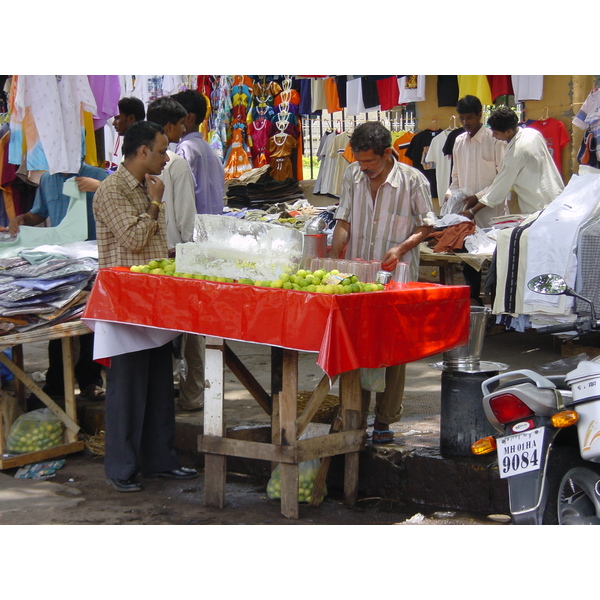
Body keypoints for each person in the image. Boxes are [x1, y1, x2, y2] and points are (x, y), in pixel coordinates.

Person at [93, 121, 198, 492]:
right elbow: (135, 239)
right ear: (141, 152)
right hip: (123, 301)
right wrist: (155, 203)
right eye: (161, 150)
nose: (166, 157)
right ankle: (122, 467)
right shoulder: (111, 191)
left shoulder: (147, 185)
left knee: (157, 382)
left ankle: (160, 460)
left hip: (152, 298)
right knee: (128, 386)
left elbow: (154, 243)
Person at [329, 121, 434, 444]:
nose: (365, 169)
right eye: (360, 162)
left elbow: (427, 225)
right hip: (358, 280)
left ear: (387, 153)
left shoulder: (413, 181)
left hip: (396, 278)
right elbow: (343, 221)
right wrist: (334, 261)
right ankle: (354, 414)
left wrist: (401, 248)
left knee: (392, 348)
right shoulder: (352, 176)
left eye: (370, 162)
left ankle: (386, 420)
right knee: (355, 345)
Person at [8, 162, 109, 403]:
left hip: (93, 263)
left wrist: (101, 187)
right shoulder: (47, 180)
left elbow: (121, 202)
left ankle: (90, 381)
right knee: (57, 322)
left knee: (89, 325)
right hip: (60, 267)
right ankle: (56, 383)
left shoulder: (98, 176)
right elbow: (38, 213)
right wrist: (22, 219)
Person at [146, 96, 204, 412]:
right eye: (181, 124)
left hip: (152, 257)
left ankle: (162, 395)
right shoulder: (175, 163)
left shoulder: (134, 160)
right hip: (175, 255)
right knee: (192, 330)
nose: (184, 130)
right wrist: (191, 257)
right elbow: (185, 217)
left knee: (160, 331)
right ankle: (193, 395)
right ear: (168, 126)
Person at [444, 95, 506, 306]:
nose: (465, 123)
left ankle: (497, 304)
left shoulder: (494, 139)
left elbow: (502, 178)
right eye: (462, 119)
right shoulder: (459, 141)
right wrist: (450, 195)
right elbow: (456, 178)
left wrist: (477, 198)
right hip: (465, 211)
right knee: (468, 256)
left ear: (480, 115)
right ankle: (474, 301)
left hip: (492, 211)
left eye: (469, 118)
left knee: (495, 258)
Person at [461, 106, 564, 219]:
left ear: (508, 131)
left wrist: (472, 211)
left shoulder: (516, 153)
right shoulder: (533, 133)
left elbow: (499, 188)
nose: (493, 136)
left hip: (539, 207)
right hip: (556, 197)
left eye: (496, 133)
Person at [170, 89, 225, 215]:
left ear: (189, 118)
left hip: (195, 225)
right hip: (212, 224)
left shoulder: (185, 149)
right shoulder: (210, 150)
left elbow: (180, 194)